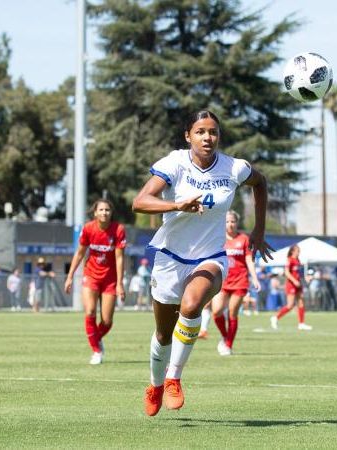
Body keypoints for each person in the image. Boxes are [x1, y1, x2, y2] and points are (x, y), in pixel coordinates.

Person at [132, 109, 272, 416]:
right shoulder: (174, 164)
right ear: (188, 136)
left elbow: (260, 184)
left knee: (192, 304)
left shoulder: (234, 167)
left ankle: (173, 378)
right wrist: (176, 203)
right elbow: (140, 202)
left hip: (210, 257)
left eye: (213, 132)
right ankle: (155, 385)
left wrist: (258, 230)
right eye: (200, 132)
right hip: (169, 258)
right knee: (163, 334)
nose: (207, 137)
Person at [64, 199, 126, 365]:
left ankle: (95, 339)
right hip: (90, 276)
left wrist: (120, 283)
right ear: (95, 213)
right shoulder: (88, 228)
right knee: (90, 312)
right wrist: (70, 276)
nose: (104, 212)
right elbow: (79, 254)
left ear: (111, 213)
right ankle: (96, 351)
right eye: (101, 210)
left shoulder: (118, 230)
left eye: (107, 210)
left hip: (110, 280)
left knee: (107, 321)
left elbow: (120, 259)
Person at [211, 210, 261, 356]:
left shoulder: (244, 239)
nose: (230, 224)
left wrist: (255, 278)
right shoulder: (219, 239)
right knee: (217, 311)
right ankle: (225, 336)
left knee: (233, 312)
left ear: (237, 223)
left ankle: (228, 345)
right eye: (227, 221)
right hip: (223, 280)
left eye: (232, 221)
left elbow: (248, 260)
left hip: (240, 281)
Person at [270, 245, 312, 330]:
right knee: (290, 305)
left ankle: (301, 324)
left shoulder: (298, 260)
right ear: (292, 251)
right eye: (297, 251)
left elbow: (299, 273)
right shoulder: (290, 260)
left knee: (301, 303)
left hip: (298, 284)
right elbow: (287, 272)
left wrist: (306, 277)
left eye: (299, 251)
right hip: (291, 285)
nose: (299, 252)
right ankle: (275, 317)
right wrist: (294, 281)